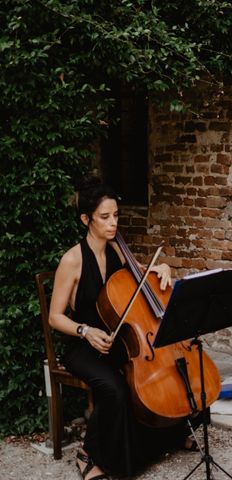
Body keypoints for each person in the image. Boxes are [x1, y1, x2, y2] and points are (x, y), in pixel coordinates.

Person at [48, 175, 192, 480]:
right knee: (114, 389)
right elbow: (55, 317)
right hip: (84, 347)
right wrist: (86, 331)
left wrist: (162, 268)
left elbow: (143, 275)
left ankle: (164, 435)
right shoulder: (72, 260)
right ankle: (88, 453)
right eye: (104, 217)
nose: (113, 223)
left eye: (115, 216)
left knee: (157, 377)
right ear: (86, 219)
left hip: (117, 341)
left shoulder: (116, 251)